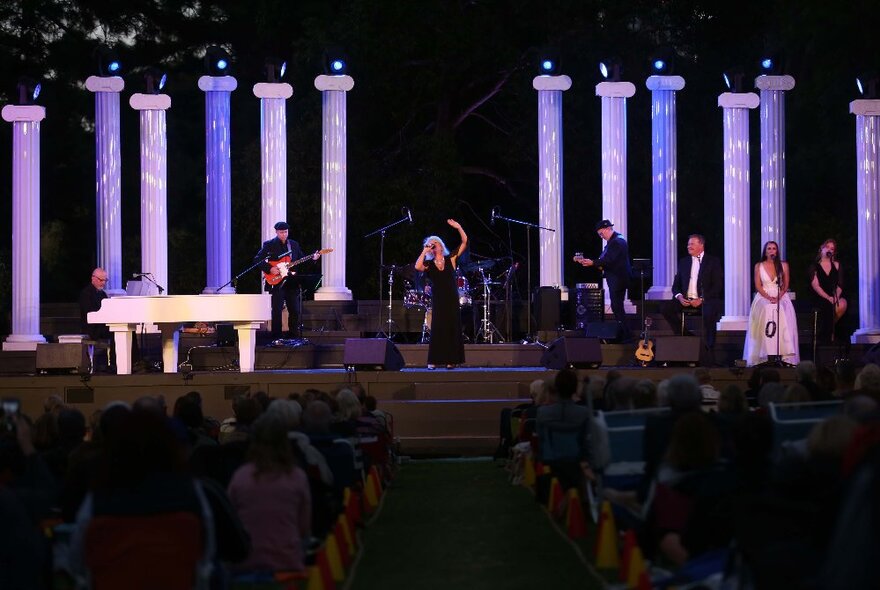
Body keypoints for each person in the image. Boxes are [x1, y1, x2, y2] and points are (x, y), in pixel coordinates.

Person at [661, 234, 723, 364]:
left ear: (701, 245)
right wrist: (679, 297)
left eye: (692, 244)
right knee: (666, 308)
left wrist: (702, 299)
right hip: (686, 300)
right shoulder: (684, 262)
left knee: (709, 312)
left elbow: (717, 286)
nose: (689, 246)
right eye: (688, 244)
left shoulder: (713, 261)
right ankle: (686, 335)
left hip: (704, 300)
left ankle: (709, 349)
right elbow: (675, 286)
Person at [254, 222, 322, 341]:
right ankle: (276, 336)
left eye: (286, 232)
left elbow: (301, 260)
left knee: (294, 309)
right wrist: (270, 268)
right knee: (277, 309)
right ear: (276, 232)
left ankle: (293, 335)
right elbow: (257, 259)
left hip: (291, 280)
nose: (284, 234)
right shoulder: (269, 245)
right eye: (281, 232)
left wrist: (313, 259)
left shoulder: (294, 245)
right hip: (276, 282)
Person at [415, 219, 467, 369]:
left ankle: (451, 360)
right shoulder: (429, 264)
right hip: (438, 299)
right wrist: (425, 251)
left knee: (452, 328)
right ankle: (434, 360)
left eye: (434, 243)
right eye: (430, 244)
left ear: (440, 245)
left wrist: (459, 227)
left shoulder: (451, 259)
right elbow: (417, 266)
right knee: (438, 329)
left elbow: (464, 242)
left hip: (451, 298)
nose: (433, 245)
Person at [743, 241, 800, 366]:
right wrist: (768, 297)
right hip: (764, 294)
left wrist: (778, 297)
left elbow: (785, 284)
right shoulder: (759, 266)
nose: (771, 251)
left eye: (774, 248)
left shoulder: (783, 265)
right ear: (765, 251)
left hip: (780, 295)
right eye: (769, 248)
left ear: (777, 251)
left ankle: (784, 355)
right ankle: (762, 354)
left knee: (783, 313)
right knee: (765, 310)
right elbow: (758, 285)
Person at [574, 219, 632, 342]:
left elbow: (609, 260)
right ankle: (623, 334)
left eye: (601, 233)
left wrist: (593, 262)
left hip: (618, 279)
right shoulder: (613, 242)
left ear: (607, 229)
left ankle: (626, 335)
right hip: (615, 279)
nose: (601, 236)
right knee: (616, 306)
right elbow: (605, 262)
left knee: (617, 307)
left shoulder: (617, 242)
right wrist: (589, 262)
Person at [808, 238, 846, 344]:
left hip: (833, 295)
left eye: (832, 249)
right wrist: (828, 297)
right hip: (820, 295)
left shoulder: (837, 265)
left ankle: (833, 331)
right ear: (822, 248)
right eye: (827, 247)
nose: (829, 250)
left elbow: (840, 285)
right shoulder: (814, 266)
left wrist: (836, 296)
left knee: (843, 304)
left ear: (834, 252)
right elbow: (816, 286)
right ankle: (827, 336)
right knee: (827, 305)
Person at [78, 268, 110, 340]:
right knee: (116, 332)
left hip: (101, 326)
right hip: (92, 329)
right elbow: (89, 313)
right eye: (101, 280)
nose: (103, 283)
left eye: (105, 280)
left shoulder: (103, 294)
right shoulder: (86, 294)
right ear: (93, 278)